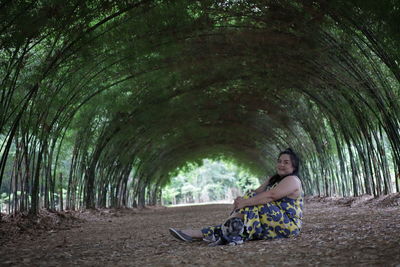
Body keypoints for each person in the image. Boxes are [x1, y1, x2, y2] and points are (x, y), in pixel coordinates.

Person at [169, 148, 303, 244]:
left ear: (294, 166)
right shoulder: (273, 179)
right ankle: (202, 233)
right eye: (279, 161)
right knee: (250, 197)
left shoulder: (292, 180)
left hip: (288, 225)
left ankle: (220, 233)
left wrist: (245, 203)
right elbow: (256, 192)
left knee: (254, 201)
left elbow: (271, 196)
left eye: (286, 162)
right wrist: (241, 200)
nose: (281, 164)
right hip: (271, 221)